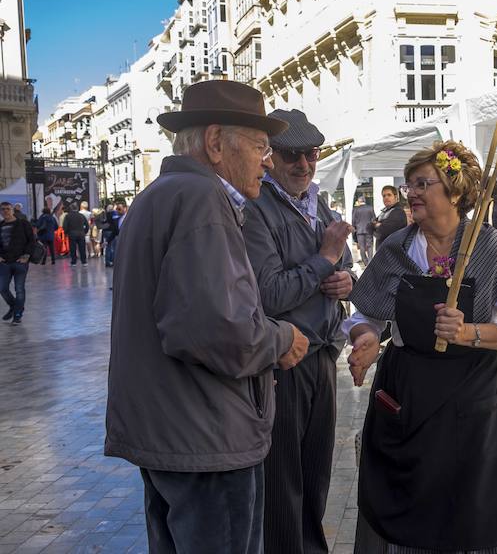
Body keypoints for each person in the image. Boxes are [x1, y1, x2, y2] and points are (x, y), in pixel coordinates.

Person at [104, 80, 310, 554]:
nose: (267, 160)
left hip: (173, 432)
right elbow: (217, 330)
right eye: (260, 146)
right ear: (217, 143)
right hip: (206, 437)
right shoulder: (201, 199)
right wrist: (283, 339)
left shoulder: (161, 194)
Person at [344, 140, 497, 552]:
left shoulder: (489, 247)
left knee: (478, 505)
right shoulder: (397, 247)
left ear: (454, 192)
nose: (413, 193)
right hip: (409, 392)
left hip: (480, 396)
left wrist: (469, 332)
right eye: (409, 185)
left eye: (423, 183)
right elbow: (366, 314)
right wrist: (365, 338)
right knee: (409, 504)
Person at [241, 109, 355, 554]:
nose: (304, 164)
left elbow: (339, 273)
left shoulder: (317, 203)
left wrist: (346, 279)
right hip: (284, 362)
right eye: (292, 155)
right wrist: (327, 259)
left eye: (311, 154)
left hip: (323, 358)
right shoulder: (256, 208)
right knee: (283, 481)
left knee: (316, 475)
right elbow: (267, 293)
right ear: (270, 156)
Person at [0, 201, 34, 324]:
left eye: (8, 209)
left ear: (13, 210)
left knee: (19, 289)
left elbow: (32, 240)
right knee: (2, 288)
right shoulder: (0, 225)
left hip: (20, 262)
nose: (5, 211)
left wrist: (26, 256)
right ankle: (15, 306)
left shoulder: (23, 223)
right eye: (3, 209)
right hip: (4, 262)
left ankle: (17, 315)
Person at [373, 185, 408, 250]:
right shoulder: (384, 212)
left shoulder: (398, 212)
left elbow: (384, 231)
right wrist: (378, 226)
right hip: (382, 251)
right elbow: (369, 227)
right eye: (384, 196)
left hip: (392, 253)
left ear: (395, 197)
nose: (386, 198)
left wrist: (377, 226)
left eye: (389, 195)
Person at [351, 195, 375, 265]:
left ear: (359, 201)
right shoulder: (370, 208)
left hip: (359, 230)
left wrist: (354, 229)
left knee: (362, 247)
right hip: (369, 230)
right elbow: (373, 219)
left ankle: (365, 262)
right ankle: (370, 261)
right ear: (364, 201)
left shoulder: (355, 209)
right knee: (370, 246)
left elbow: (353, 220)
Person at [104, 200, 127, 267]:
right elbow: (115, 232)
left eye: (119, 209)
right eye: (116, 209)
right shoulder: (117, 220)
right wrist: (107, 241)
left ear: (125, 208)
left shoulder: (129, 218)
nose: (117, 211)